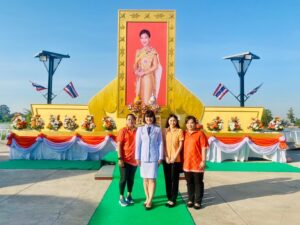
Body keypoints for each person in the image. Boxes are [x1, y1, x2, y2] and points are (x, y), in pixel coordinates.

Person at [135, 110, 163, 210]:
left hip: (154, 158)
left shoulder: (158, 129)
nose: (149, 119)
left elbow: (160, 143)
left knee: (152, 179)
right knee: (145, 179)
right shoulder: (140, 129)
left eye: (151, 117)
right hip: (143, 158)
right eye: (147, 117)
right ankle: (147, 197)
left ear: (153, 118)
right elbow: (138, 144)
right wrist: (137, 157)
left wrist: (160, 157)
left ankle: (150, 200)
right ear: (144, 118)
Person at [183, 116, 209, 210]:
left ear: (195, 124)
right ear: (186, 124)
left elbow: (204, 147)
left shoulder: (200, 134)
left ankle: (198, 201)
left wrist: (203, 161)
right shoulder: (184, 134)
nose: (190, 125)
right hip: (187, 163)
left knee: (198, 182)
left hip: (198, 163)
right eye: (188, 123)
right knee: (189, 182)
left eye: (192, 123)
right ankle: (190, 199)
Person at [134, 29, 162, 105]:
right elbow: (135, 65)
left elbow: (155, 66)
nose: (144, 40)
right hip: (140, 79)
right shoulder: (138, 52)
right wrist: (136, 71)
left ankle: (148, 116)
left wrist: (145, 72)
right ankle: (141, 116)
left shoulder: (153, 51)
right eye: (142, 38)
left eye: (146, 37)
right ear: (140, 39)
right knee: (139, 99)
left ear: (149, 38)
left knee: (147, 100)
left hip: (148, 78)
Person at [163, 114, 184, 208]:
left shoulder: (179, 131)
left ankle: (173, 199)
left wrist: (175, 157)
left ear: (177, 122)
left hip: (176, 159)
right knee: (167, 179)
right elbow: (162, 144)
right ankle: (169, 196)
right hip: (166, 159)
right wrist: (166, 156)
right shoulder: (165, 131)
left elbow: (180, 145)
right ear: (168, 121)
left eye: (174, 120)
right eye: (171, 120)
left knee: (174, 179)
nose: (172, 122)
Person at [117, 114, 138, 206]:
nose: (131, 121)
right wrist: (120, 158)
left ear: (135, 121)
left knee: (131, 179)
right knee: (123, 178)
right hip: (124, 160)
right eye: (129, 119)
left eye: (132, 119)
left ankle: (129, 195)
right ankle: (121, 197)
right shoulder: (123, 131)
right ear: (126, 121)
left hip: (134, 161)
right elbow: (119, 145)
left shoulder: (138, 131)